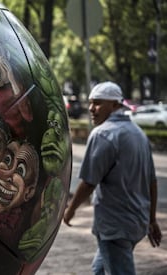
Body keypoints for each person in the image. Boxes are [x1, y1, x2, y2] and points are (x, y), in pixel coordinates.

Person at [63, 81, 162, 275]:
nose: (91, 109)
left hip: (115, 225)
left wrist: (70, 210)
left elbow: (89, 182)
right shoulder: (138, 133)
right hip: (136, 222)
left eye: (98, 103)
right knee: (99, 269)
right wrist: (151, 220)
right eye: (91, 103)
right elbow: (152, 181)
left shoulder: (103, 134)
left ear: (116, 105)